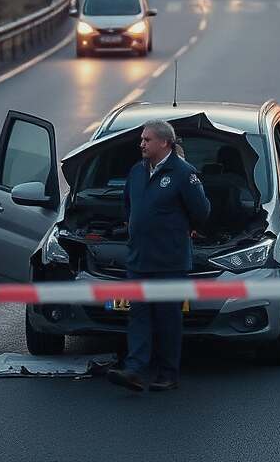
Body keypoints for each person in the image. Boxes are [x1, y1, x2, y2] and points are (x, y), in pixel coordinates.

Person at [106, 120, 210, 392]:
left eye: (147, 139)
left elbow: (201, 210)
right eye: (141, 139)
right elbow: (129, 206)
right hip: (139, 259)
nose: (141, 144)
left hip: (169, 261)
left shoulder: (183, 173)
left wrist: (182, 230)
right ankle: (135, 370)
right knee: (138, 315)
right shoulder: (137, 172)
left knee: (167, 318)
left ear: (164, 143)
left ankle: (167, 373)